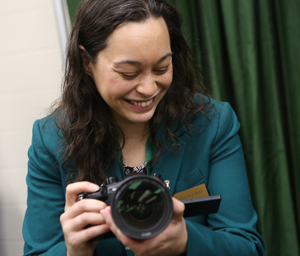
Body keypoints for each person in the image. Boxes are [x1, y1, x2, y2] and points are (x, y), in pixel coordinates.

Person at [22, 0, 265, 255]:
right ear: (86, 61)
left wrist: (185, 240)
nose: (149, 89)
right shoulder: (51, 140)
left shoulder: (212, 122)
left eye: (162, 68)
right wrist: (74, 251)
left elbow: (247, 246)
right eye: (128, 73)